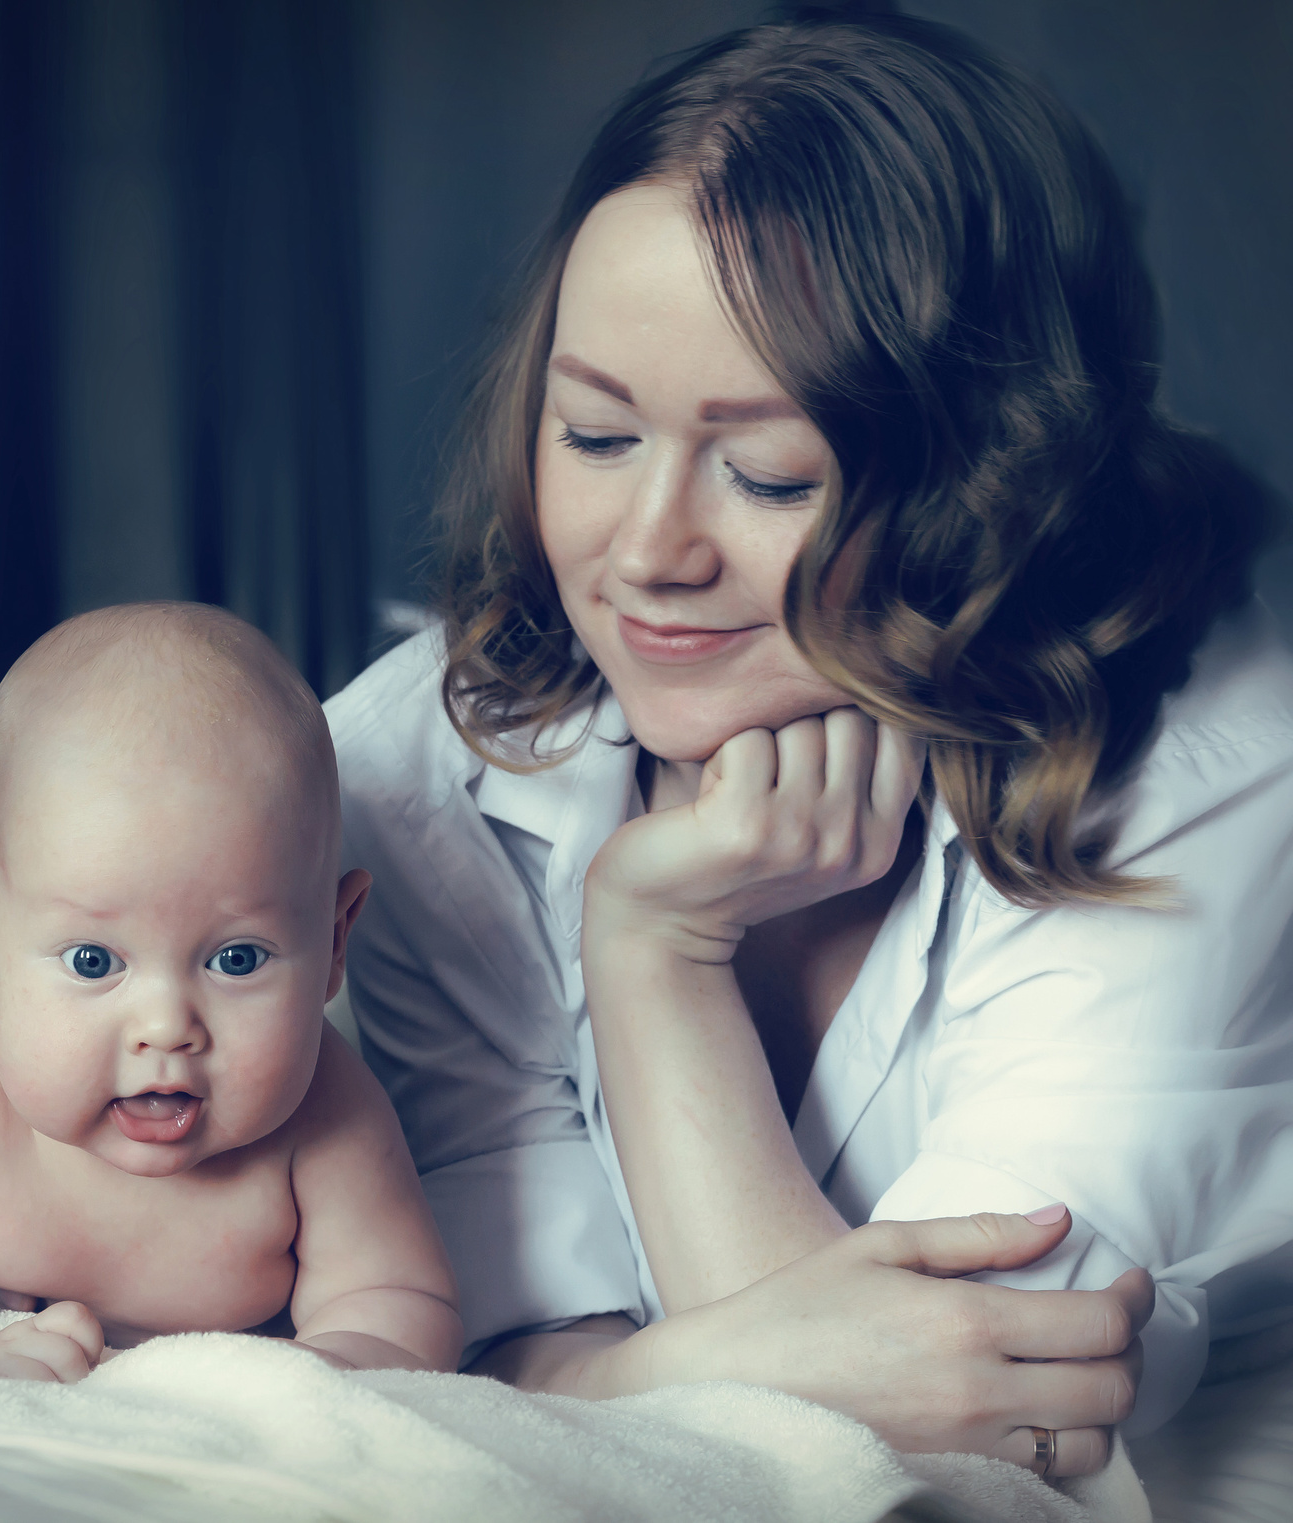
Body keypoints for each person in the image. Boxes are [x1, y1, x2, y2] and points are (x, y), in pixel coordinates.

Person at [328, 8, 1291, 1481]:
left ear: (984, 479)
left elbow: (947, 1437)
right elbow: (479, 1326)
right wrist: (604, 1367)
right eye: (593, 438)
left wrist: (656, 951)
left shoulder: (1221, 776)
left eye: (767, 472)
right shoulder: (424, 755)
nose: (648, 551)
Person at [0, 604, 461, 1380]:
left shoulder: (329, 1113)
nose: (166, 1027)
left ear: (335, 940)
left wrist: (316, 1381)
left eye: (236, 958)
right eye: (95, 961)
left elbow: (400, 1300)